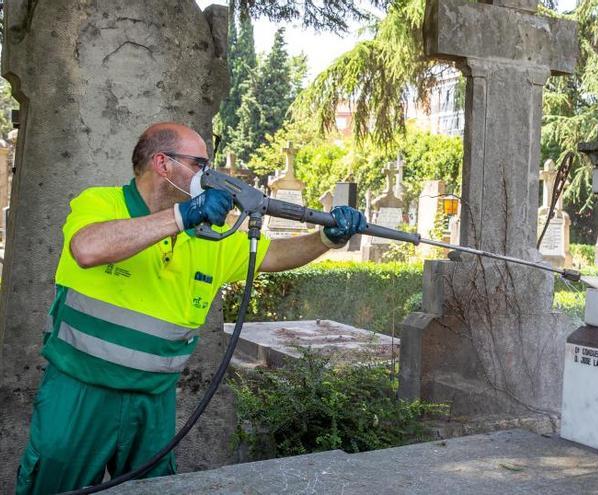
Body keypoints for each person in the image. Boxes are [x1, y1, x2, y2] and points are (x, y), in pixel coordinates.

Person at [14, 122, 367, 494]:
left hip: (153, 400)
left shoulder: (209, 235)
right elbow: (87, 249)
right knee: (54, 487)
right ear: (162, 163)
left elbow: (274, 254)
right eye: (200, 164)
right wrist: (183, 216)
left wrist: (326, 238)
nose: (208, 175)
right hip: (79, 393)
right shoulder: (102, 203)